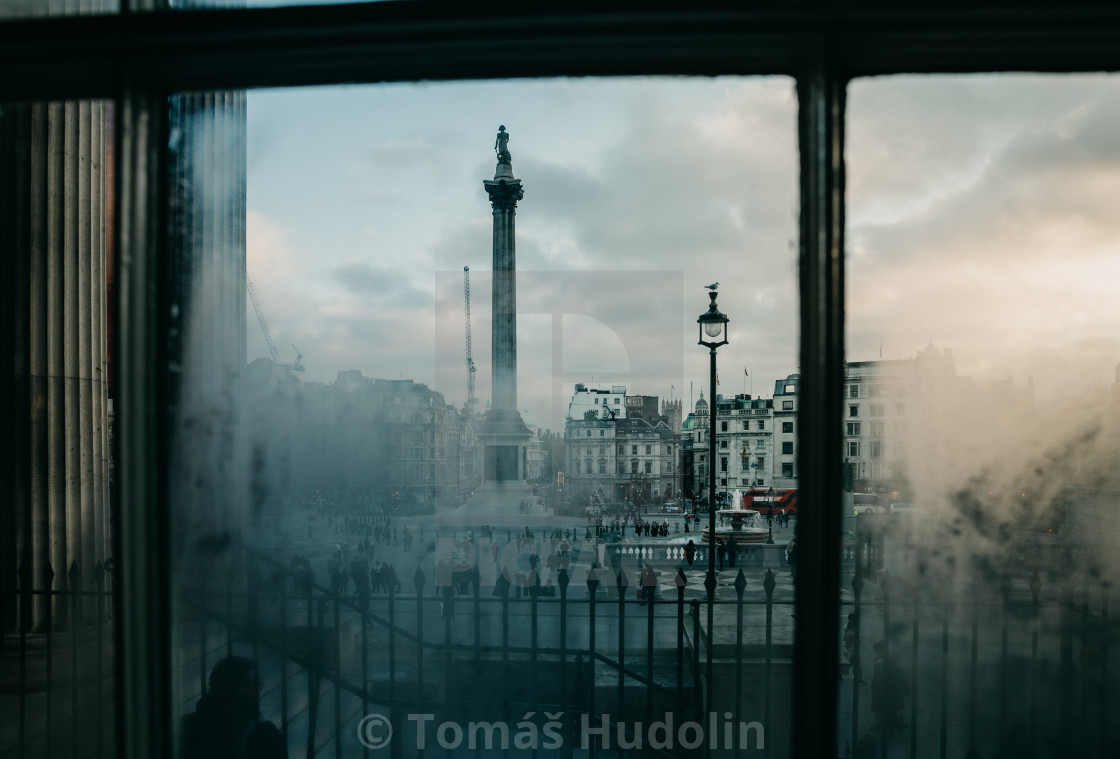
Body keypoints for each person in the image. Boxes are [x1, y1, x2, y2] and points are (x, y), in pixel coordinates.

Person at [182, 656, 286, 759]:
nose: (258, 689)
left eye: (257, 684)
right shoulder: (262, 734)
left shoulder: (186, 724)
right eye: (250, 684)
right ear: (230, 688)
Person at [870, 640, 909, 736]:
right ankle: (886, 725)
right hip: (887, 692)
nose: (875, 652)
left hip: (886, 692)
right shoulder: (885, 659)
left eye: (876, 650)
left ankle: (888, 730)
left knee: (885, 710)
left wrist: (879, 692)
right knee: (886, 710)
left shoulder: (882, 661)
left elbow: (881, 679)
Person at [843, 613, 865, 683]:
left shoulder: (856, 627)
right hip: (849, 647)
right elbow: (844, 638)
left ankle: (859, 678)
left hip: (854, 647)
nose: (854, 620)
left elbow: (859, 637)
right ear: (850, 619)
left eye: (855, 618)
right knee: (849, 663)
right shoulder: (847, 626)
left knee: (856, 663)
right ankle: (858, 678)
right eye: (853, 618)